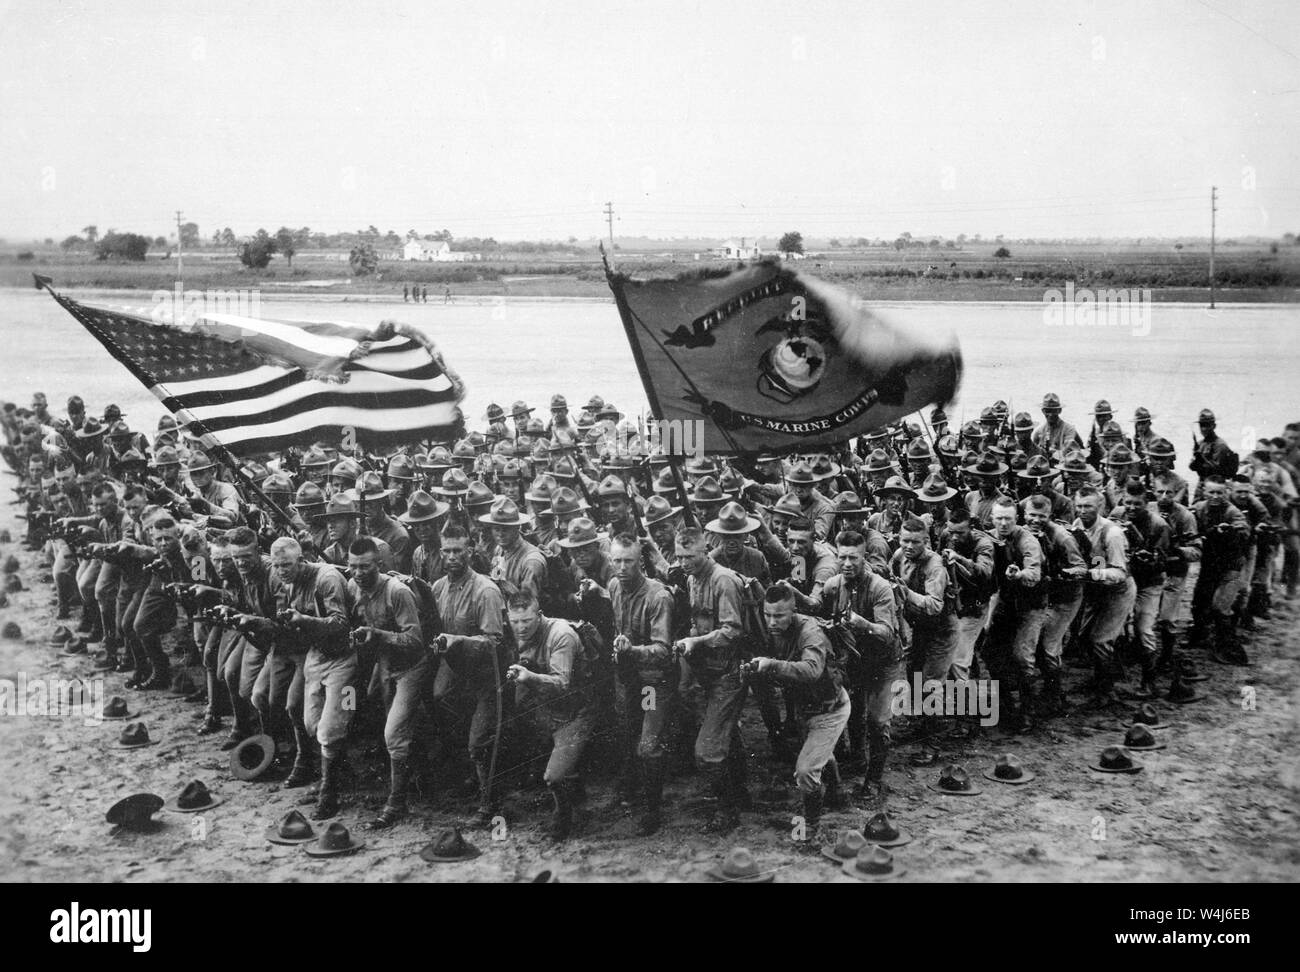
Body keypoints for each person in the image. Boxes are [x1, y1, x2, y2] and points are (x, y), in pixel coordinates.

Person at [742, 582, 848, 840]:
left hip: (829, 710)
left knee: (805, 771)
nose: (771, 622)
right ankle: (837, 794)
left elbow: (812, 670)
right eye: (767, 615)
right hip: (806, 709)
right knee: (821, 753)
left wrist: (771, 665)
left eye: (779, 616)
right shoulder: (775, 629)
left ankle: (811, 827)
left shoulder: (810, 631)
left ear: (794, 611)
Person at [341, 536, 426, 828]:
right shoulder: (352, 586)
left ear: (379, 564)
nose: (358, 573)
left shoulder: (397, 593)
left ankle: (397, 802)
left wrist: (378, 635)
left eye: (365, 567)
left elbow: (415, 640)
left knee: (394, 733)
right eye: (352, 566)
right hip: (383, 665)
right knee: (361, 706)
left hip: (410, 668)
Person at [673, 526, 750, 833]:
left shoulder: (723, 580)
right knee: (724, 733)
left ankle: (726, 808)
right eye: (679, 556)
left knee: (707, 751)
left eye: (689, 556)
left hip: (730, 673)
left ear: (705, 551)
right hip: (708, 671)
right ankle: (740, 793)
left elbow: (733, 631)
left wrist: (698, 641)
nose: (683, 562)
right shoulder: (692, 578)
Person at [430, 522, 508, 826]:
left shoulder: (485, 590)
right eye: (447, 551)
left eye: (458, 551)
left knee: (479, 742)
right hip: (456, 674)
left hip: (488, 677)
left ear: (470, 551)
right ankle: (470, 780)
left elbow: (495, 643)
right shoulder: (438, 588)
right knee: (440, 704)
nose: (452, 557)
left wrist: (459, 641)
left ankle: (491, 804)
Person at [269, 537, 353, 817]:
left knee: (330, 728)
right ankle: (336, 771)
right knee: (310, 722)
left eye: (287, 565)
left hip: (343, 657)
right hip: (316, 655)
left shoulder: (326, 578)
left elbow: (341, 624)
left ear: (302, 560)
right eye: (277, 566)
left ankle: (329, 792)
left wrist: (303, 621)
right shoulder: (289, 581)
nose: (281, 571)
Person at [818, 530, 903, 806]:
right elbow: (818, 608)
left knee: (878, 722)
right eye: (842, 557)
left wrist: (861, 623)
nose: (847, 564)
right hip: (855, 661)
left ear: (864, 557)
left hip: (883, 663)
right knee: (853, 714)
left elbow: (887, 634)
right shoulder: (833, 585)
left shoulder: (880, 588)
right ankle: (857, 760)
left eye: (853, 558)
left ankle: (874, 780)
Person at [506, 591, 594, 839]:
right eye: (515, 622)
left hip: (577, 711)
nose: (520, 628)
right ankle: (575, 788)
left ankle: (563, 816)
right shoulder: (517, 632)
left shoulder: (560, 635)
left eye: (526, 621)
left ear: (539, 615)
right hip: (547, 709)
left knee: (553, 776)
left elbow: (561, 682)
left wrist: (529, 677)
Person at [607, 534, 677, 835]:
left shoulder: (658, 597)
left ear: (641, 562)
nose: (622, 567)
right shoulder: (613, 587)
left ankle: (653, 810)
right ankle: (633, 792)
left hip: (653, 682)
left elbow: (663, 651)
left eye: (629, 561)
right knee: (629, 733)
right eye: (617, 561)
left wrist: (631, 650)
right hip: (630, 678)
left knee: (647, 746)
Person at [1021, 494, 1086, 714]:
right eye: (1032, 515)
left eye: (1042, 516)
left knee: (1048, 647)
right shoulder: (1024, 531)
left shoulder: (1062, 537)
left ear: (1050, 516)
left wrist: (1060, 572)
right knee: (1038, 644)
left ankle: (1056, 696)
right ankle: (1050, 692)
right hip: (1045, 597)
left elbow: (1081, 568)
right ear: (1024, 514)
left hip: (1065, 597)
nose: (1036, 520)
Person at [984, 497, 1045, 732]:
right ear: (992, 519)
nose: (1003, 523)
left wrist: (1019, 574)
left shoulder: (1027, 540)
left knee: (1022, 656)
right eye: (998, 518)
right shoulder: (988, 537)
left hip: (1031, 604)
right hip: (1005, 603)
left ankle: (1028, 711)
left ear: (1016, 519)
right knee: (990, 651)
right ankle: (1007, 705)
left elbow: (1034, 573)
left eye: (1008, 519)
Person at [1073, 486, 1135, 706]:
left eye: (1088, 506)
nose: (1082, 510)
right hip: (1095, 590)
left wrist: (1091, 573)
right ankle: (1108, 673)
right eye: (1079, 505)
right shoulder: (1077, 527)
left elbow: (1120, 572)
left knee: (1101, 640)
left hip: (1117, 591)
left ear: (1099, 506)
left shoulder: (1113, 533)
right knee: (1083, 636)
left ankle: (1106, 691)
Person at [1189, 476, 1251, 663]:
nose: (1215, 496)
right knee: (1199, 600)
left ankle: (1229, 646)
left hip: (1230, 566)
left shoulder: (1233, 512)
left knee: (1221, 606)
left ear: (1226, 493)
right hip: (1210, 564)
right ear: (1204, 492)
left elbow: (1244, 530)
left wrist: (1232, 530)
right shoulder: (1199, 508)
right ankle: (1199, 636)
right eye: (1211, 492)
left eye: (1220, 492)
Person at [1032, 393, 1084, 457]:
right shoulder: (1038, 432)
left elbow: (1070, 451)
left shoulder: (1069, 429)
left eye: (1054, 411)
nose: (1051, 414)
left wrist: (1055, 452)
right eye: (1048, 411)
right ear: (1043, 411)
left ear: (1059, 410)